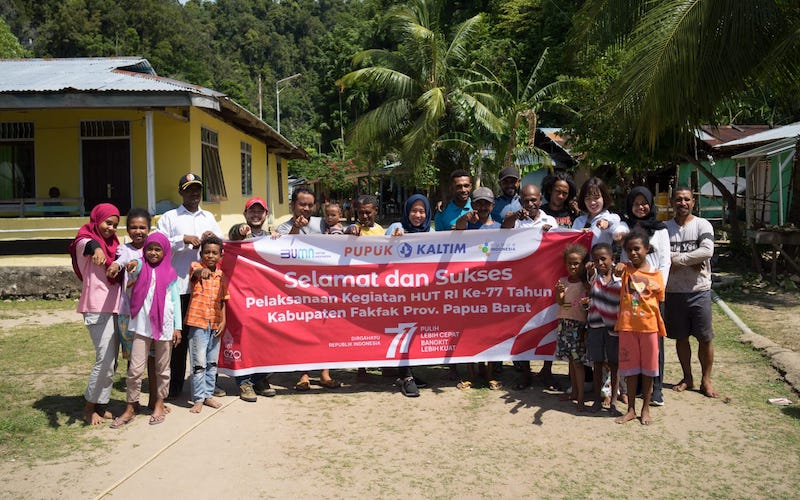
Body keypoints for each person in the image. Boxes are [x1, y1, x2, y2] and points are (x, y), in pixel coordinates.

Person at [156, 173, 223, 399]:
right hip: (179, 288)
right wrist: (181, 239)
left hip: (204, 291)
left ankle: (205, 386)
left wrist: (210, 237)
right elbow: (158, 245)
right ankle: (174, 386)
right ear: (180, 192)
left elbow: (220, 245)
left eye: (197, 189)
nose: (194, 193)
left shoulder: (209, 217)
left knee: (204, 340)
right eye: (189, 189)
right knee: (178, 338)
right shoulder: (169, 217)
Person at [110, 232, 182, 427]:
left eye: (158, 249)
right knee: (135, 369)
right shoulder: (141, 266)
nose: (153, 252)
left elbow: (175, 302)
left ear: (165, 251)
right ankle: (131, 406)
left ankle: (159, 403)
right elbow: (134, 265)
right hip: (142, 326)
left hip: (165, 326)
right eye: (150, 248)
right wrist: (132, 266)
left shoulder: (171, 273)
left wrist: (178, 327)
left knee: (163, 369)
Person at [276, 189, 342, 390]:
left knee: (324, 331)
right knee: (302, 331)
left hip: (322, 286)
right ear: (292, 205)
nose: (305, 208)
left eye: (309, 205)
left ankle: (324, 374)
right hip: (297, 288)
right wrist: (295, 229)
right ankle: (303, 375)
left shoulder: (321, 223)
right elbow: (282, 250)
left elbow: (339, 237)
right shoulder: (283, 226)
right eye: (301, 204)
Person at [69, 203, 123, 425]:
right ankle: (89, 407)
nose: (110, 228)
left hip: (114, 307)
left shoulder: (114, 244)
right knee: (104, 358)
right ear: (97, 219)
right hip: (96, 308)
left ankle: (101, 405)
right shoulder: (86, 240)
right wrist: (97, 248)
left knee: (112, 360)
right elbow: (86, 242)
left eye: (114, 224)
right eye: (107, 222)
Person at [106, 208, 163, 412]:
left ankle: (155, 399)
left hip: (152, 313)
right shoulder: (124, 250)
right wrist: (117, 266)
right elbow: (122, 261)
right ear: (127, 229)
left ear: (149, 228)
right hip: (129, 314)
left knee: (153, 359)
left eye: (142, 227)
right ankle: (133, 402)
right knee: (133, 361)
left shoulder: (155, 250)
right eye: (133, 227)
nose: (138, 231)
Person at [501, 184, 557, 390]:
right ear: (521, 201)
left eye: (533, 200)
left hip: (545, 283)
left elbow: (561, 245)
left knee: (548, 326)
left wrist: (549, 235)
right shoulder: (515, 221)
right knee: (522, 328)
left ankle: (547, 372)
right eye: (526, 200)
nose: (530, 204)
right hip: (522, 284)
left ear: (540, 200)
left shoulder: (550, 221)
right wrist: (516, 215)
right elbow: (503, 229)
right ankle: (525, 373)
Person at [664, 187, 718, 398]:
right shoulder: (664, 228)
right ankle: (688, 377)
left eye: (687, 199)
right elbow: (659, 253)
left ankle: (706, 379)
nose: (682, 203)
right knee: (681, 337)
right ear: (672, 202)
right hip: (674, 291)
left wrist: (678, 260)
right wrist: (691, 260)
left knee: (705, 338)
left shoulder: (702, 224)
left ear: (693, 202)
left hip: (699, 290)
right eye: (678, 199)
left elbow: (707, 251)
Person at [613, 229, 667, 425]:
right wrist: (619, 264)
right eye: (629, 250)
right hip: (627, 327)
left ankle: (645, 408)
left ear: (647, 249)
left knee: (649, 371)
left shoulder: (656, 275)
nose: (633, 253)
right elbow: (614, 271)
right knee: (630, 370)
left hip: (649, 329)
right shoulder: (625, 270)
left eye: (637, 249)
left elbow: (658, 301)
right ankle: (630, 410)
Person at [622, 186, 670, 406]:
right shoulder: (626, 229)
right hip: (631, 297)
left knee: (654, 344)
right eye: (635, 203)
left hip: (653, 295)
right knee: (633, 344)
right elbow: (624, 263)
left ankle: (656, 389)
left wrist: (658, 292)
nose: (640, 207)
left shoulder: (660, 230)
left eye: (644, 203)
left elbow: (665, 263)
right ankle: (637, 388)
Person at [385, 194, 435, 397]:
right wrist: (393, 239)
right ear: (406, 211)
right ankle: (406, 377)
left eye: (422, 211)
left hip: (420, 294)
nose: (417, 215)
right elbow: (379, 252)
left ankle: (407, 372)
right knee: (402, 331)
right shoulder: (396, 227)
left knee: (415, 333)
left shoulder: (431, 232)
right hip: (398, 292)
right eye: (414, 210)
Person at [228, 197, 277, 401]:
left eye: (260, 212)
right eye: (252, 212)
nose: (256, 215)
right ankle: (244, 382)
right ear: (245, 214)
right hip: (242, 294)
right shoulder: (239, 234)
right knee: (244, 337)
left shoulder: (271, 237)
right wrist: (241, 230)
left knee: (264, 338)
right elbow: (234, 233)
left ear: (266, 215)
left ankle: (260, 378)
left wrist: (282, 240)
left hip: (265, 295)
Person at [185, 235, 229, 413]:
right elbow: (196, 274)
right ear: (201, 253)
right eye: (207, 252)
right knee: (199, 362)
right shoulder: (196, 267)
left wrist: (224, 320)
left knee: (212, 362)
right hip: (198, 324)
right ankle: (198, 398)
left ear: (221, 255)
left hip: (216, 323)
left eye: (214, 253)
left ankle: (209, 394)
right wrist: (201, 272)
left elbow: (223, 300)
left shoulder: (221, 275)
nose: (210, 256)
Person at [584, 243, 622, 414]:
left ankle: (614, 400)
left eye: (604, 259)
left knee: (614, 364)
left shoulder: (621, 279)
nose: (600, 263)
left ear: (612, 260)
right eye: (596, 260)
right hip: (595, 326)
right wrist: (590, 269)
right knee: (597, 364)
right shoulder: (593, 277)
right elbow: (590, 276)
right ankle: (597, 400)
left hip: (615, 328)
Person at [555, 244, 590, 411]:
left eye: (576, 263)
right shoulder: (562, 281)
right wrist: (559, 293)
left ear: (583, 264)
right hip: (564, 325)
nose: (573, 266)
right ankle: (574, 392)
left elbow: (589, 304)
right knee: (570, 360)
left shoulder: (586, 284)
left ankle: (581, 397)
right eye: (570, 263)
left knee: (578, 363)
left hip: (579, 326)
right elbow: (560, 302)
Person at [572, 177, 627, 247]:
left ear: (604, 198)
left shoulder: (610, 217)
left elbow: (616, 227)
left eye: (596, 197)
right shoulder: (578, 221)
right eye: (587, 198)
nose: (592, 202)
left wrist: (607, 223)